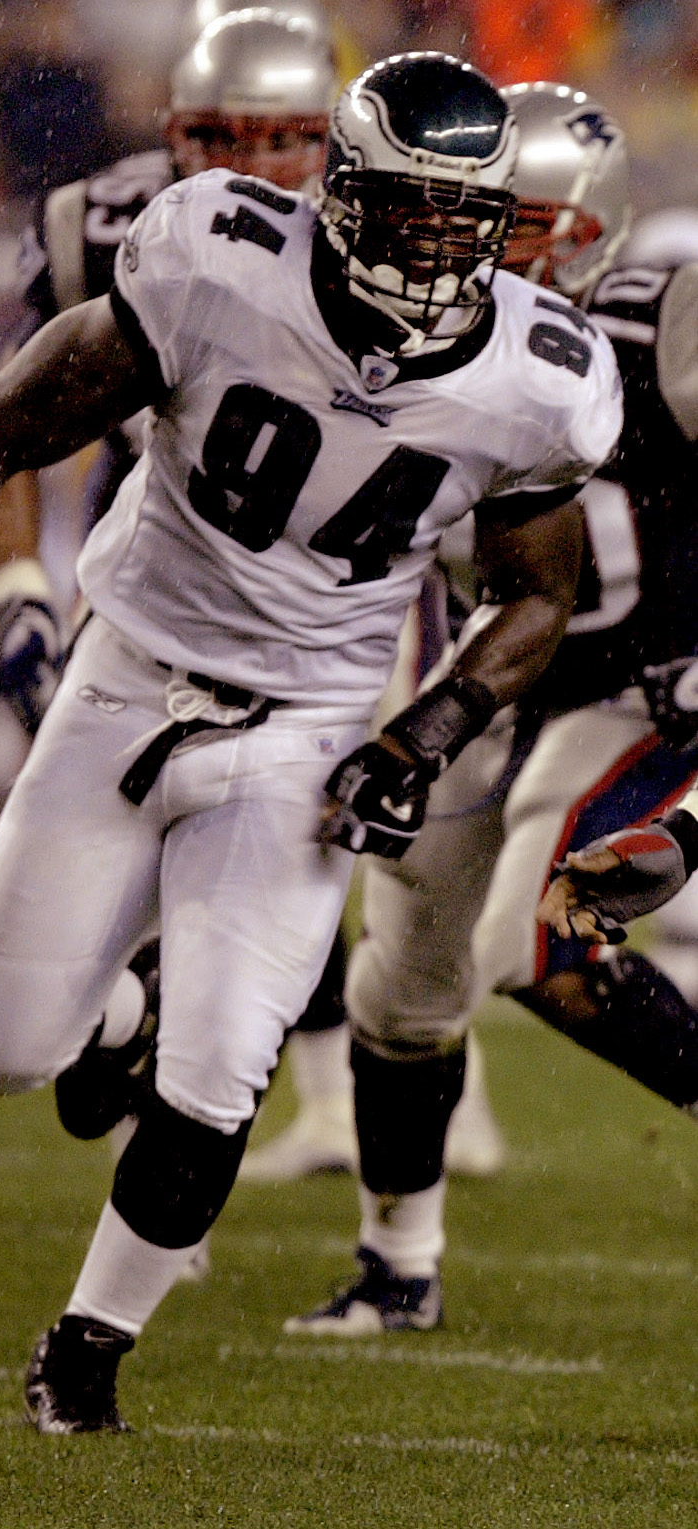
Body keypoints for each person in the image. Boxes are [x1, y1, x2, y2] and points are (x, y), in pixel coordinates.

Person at [0, 51, 620, 1434]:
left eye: (457, 216)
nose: (431, 241)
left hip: (304, 732)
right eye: (403, 205)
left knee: (224, 1064)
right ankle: (121, 1008)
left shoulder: (541, 378)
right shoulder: (214, 257)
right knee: (0, 1052)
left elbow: (537, 596)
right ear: (337, 192)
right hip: (124, 681)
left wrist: (422, 733)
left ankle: (87, 1353)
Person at [285, 76, 698, 1338]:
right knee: (399, 986)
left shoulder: (657, 323)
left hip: (650, 685)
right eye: (433, 207)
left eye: (498, 220)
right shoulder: (394, 333)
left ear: (583, 230)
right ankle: (395, 1265)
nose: (449, 238)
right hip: (490, 677)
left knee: (539, 936)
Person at [0, 5, 364, 1187]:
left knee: (305, 840)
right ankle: (153, 1023)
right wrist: (24, 591)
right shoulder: (99, 227)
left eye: (281, 137)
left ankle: (363, 1142)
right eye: (214, 133)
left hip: (347, 589)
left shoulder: (389, 242)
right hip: (168, 576)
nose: (244, 164)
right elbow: (12, 425)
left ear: (334, 145)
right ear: (172, 130)